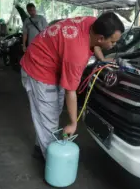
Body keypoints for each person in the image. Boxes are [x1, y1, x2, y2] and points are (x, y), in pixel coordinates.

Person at [20, 12, 124, 159]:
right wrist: (73, 123)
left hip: (51, 63)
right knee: (49, 120)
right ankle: (51, 163)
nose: (114, 45)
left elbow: (95, 45)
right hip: (38, 68)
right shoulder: (77, 54)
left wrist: (103, 61)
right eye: (113, 42)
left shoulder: (93, 23)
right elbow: (71, 92)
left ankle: (40, 147)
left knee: (52, 113)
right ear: (101, 38)